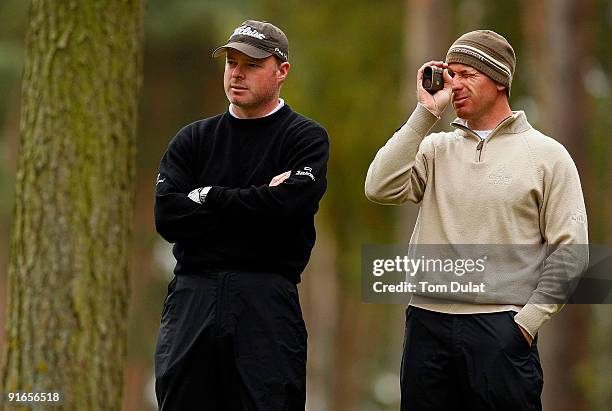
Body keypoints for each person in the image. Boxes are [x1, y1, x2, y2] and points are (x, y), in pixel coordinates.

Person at [365, 30, 588, 410]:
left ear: (500, 80)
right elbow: (379, 186)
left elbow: (572, 251)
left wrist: (526, 322)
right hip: (426, 326)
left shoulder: (547, 156)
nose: (456, 85)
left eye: (468, 74)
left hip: (502, 330)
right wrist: (424, 115)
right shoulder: (434, 148)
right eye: (450, 74)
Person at [153, 20, 329, 410]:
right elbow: (168, 217)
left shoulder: (304, 138)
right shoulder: (193, 139)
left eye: (250, 64)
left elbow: (289, 206)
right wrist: (260, 200)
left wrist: (208, 196)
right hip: (192, 299)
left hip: (265, 302)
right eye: (231, 63)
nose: (236, 73)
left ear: (281, 71)